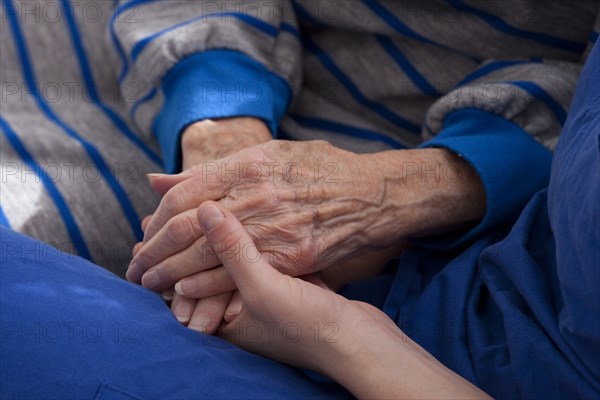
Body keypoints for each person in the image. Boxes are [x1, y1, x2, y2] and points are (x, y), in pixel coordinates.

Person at [1, 40, 599, 395]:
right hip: (173, 95)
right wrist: (220, 118)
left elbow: (565, 76)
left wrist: (405, 196)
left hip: (369, 307)